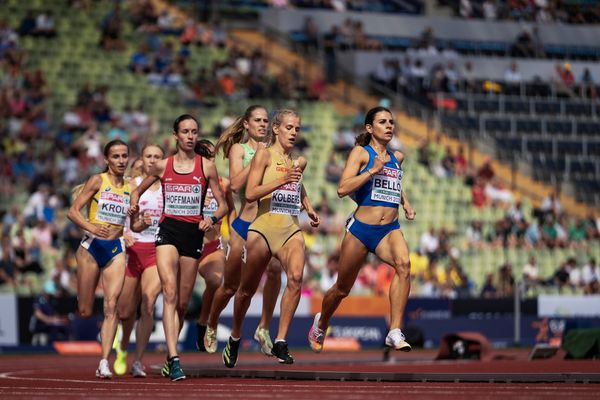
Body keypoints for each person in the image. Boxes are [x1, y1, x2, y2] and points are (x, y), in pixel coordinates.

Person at [128, 114, 228, 381]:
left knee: (182, 303)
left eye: (194, 131)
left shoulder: (206, 167)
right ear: (176, 135)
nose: (191, 136)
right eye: (185, 131)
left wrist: (212, 219)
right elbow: (137, 190)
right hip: (168, 231)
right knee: (169, 293)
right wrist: (134, 205)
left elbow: (224, 204)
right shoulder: (163, 166)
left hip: (193, 235)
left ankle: (170, 354)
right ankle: (174, 358)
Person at [308, 106, 415, 354]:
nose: (389, 126)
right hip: (361, 230)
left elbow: (394, 183)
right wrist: (371, 170)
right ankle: (321, 322)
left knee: (404, 265)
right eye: (382, 122)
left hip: (389, 228)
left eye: (391, 122)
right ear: (369, 128)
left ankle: (395, 330)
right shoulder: (361, 153)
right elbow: (342, 188)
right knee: (342, 289)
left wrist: (405, 202)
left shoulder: (397, 157)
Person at [223, 109, 320, 368]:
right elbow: (251, 192)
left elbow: (297, 185)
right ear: (276, 129)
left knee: (297, 277)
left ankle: (280, 340)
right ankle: (234, 336)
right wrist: (282, 180)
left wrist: (308, 206)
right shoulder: (264, 155)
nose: (293, 133)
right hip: (263, 226)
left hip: (290, 228)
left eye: (297, 129)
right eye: (289, 127)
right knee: (246, 289)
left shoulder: (296, 161)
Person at [204, 105, 282, 357]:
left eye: (265, 121)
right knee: (230, 286)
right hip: (243, 225)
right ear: (246, 125)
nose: (262, 124)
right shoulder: (240, 149)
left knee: (275, 269)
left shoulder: (275, 151)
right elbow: (235, 185)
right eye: (257, 120)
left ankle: (264, 327)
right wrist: (258, 158)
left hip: (268, 224)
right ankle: (212, 323)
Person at [67, 139, 131, 379]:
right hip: (91, 248)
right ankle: (94, 320)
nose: (121, 160)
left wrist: (139, 223)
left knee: (112, 305)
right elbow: (72, 212)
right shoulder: (97, 180)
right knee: (84, 310)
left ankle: (104, 361)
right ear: (106, 160)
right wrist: (91, 227)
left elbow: (132, 223)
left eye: (124, 156)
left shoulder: (130, 187)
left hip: (115, 249)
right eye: (115, 156)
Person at [113, 144, 165, 377]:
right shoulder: (130, 186)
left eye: (157, 157)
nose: (152, 160)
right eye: (149, 156)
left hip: (157, 250)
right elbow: (116, 217)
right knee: (125, 311)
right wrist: (124, 235)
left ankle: (138, 360)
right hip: (132, 250)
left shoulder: (167, 186)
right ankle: (123, 346)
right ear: (142, 160)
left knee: (149, 303)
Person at [193, 140, 236, 351]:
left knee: (216, 282)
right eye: (204, 155)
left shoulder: (223, 183)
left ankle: (205, 322)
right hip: (188, 246)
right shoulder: (187, 181)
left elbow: (231, 208)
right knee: (179, 300)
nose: (210, 159)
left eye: (211, 155)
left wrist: (236, 234)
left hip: (213, 246)